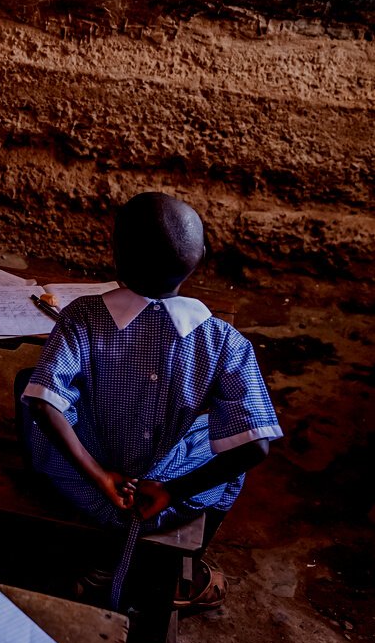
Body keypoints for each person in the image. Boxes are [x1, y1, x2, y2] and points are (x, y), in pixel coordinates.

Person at [20, 192, 283, 609]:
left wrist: (102, 477)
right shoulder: (225, 342)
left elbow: (43, 404)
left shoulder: (82, 316)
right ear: (195, 263)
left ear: (117, 257)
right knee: (230, 445)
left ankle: (83, 545)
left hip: (90, 488)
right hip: (162, 502)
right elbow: (256, 446)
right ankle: (187, 563)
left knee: (31, 392)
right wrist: (171, 491)